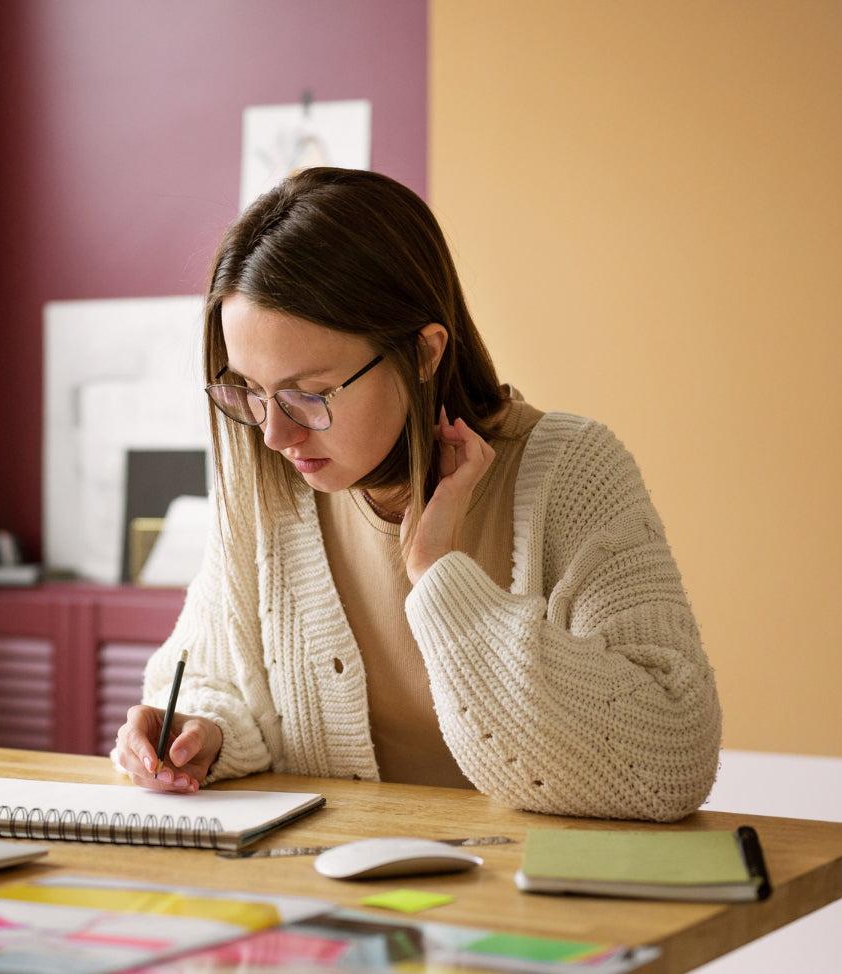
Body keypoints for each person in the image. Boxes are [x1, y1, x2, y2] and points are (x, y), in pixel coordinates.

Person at [110, 167, 722, 822]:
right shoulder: (271, 486)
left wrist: (442, 580)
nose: (274, 434)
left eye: (307, 394)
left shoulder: (572, 472)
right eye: (250, 393)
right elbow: (219, 676)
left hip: (524, 900)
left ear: (425, 352)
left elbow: (669, 759)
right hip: (325, 891)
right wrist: (203, 733)